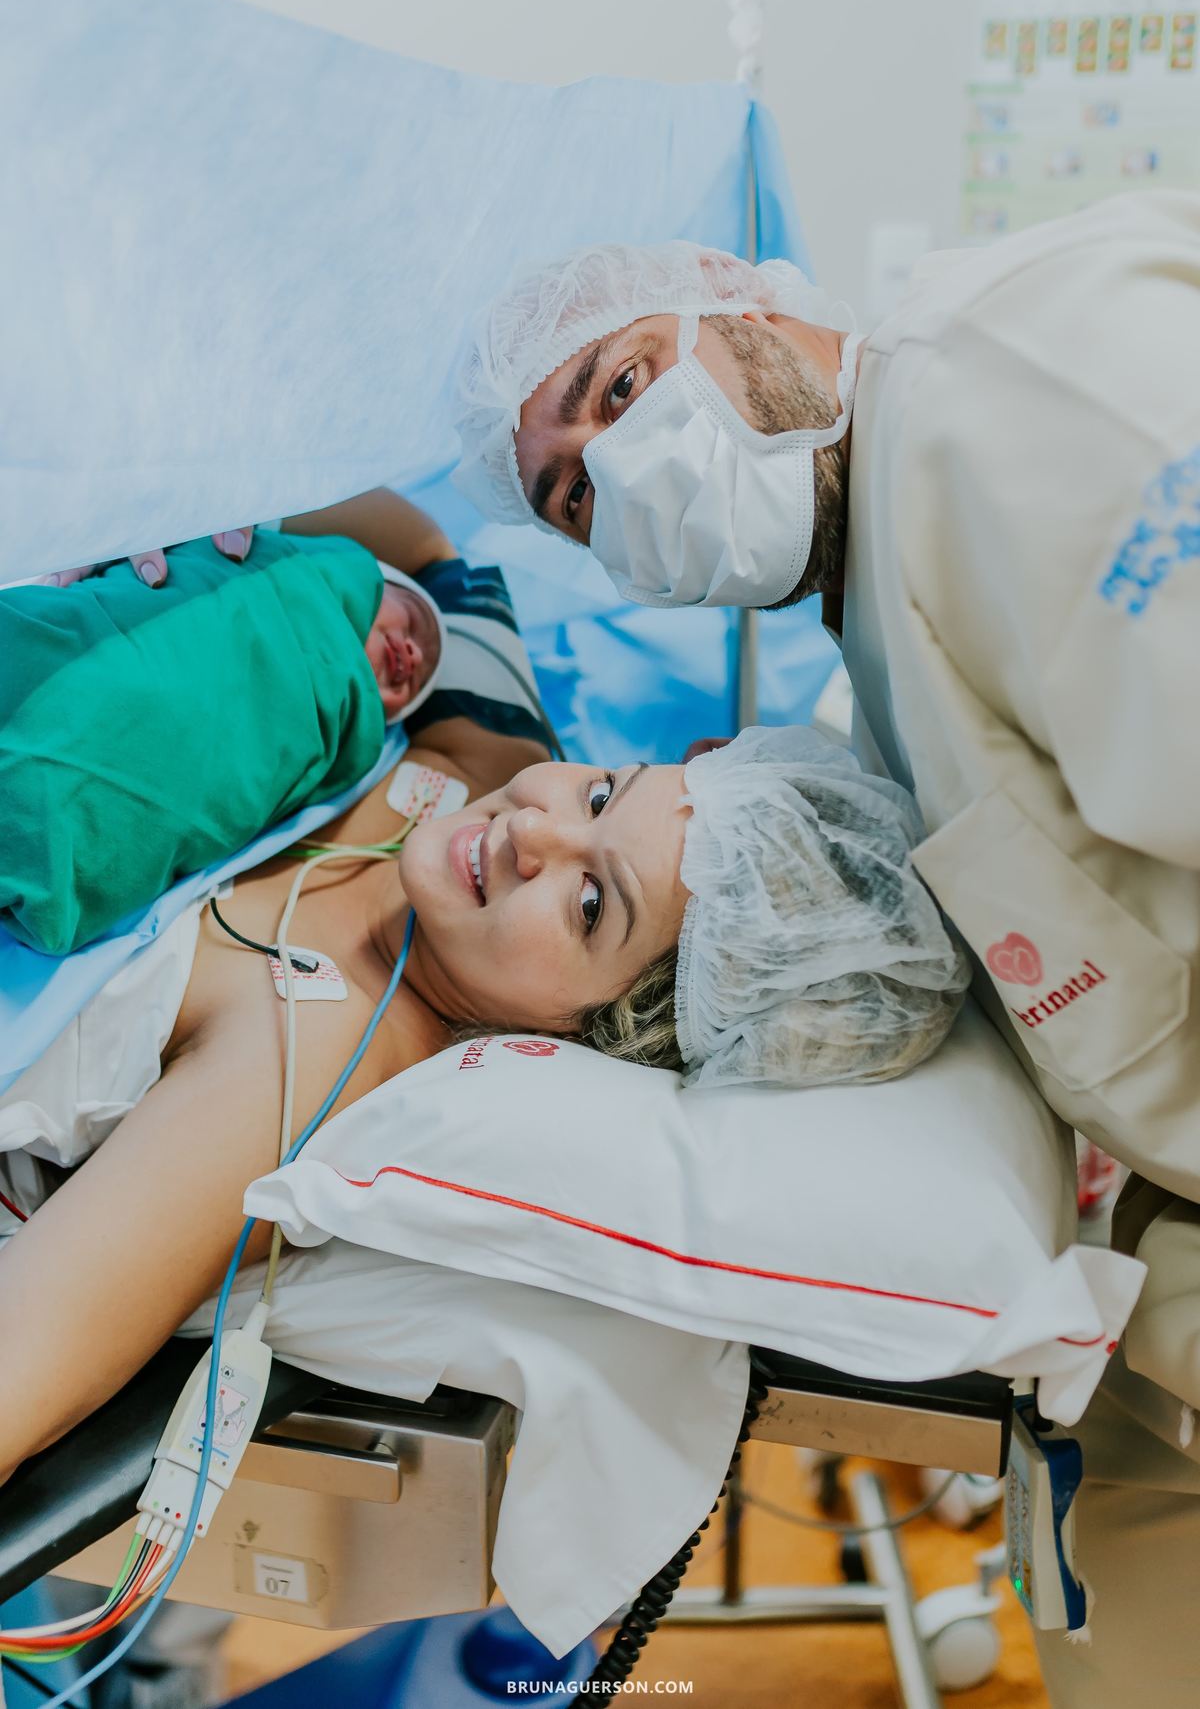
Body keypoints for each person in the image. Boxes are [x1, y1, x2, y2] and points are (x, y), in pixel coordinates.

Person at [449, 196, 1200, 1707]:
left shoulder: (1016, 382)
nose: (617, 475)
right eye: (575, 500)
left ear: (736, 293)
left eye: (617, 386)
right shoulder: (872, 646)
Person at [0, 577, 967, 1484]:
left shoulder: (297, 1062)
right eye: (602, 794)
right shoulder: (485, 759)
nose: (532, 833)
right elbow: (426, 549)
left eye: (590, 904)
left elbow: (22, 1364)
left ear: (605, 1033)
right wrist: (376, 592)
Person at [1, 495, 449, 955]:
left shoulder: (348, 744)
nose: (412, 653)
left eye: (416, 679)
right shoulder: (271, 556)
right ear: (368, 576)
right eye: (412, 622)